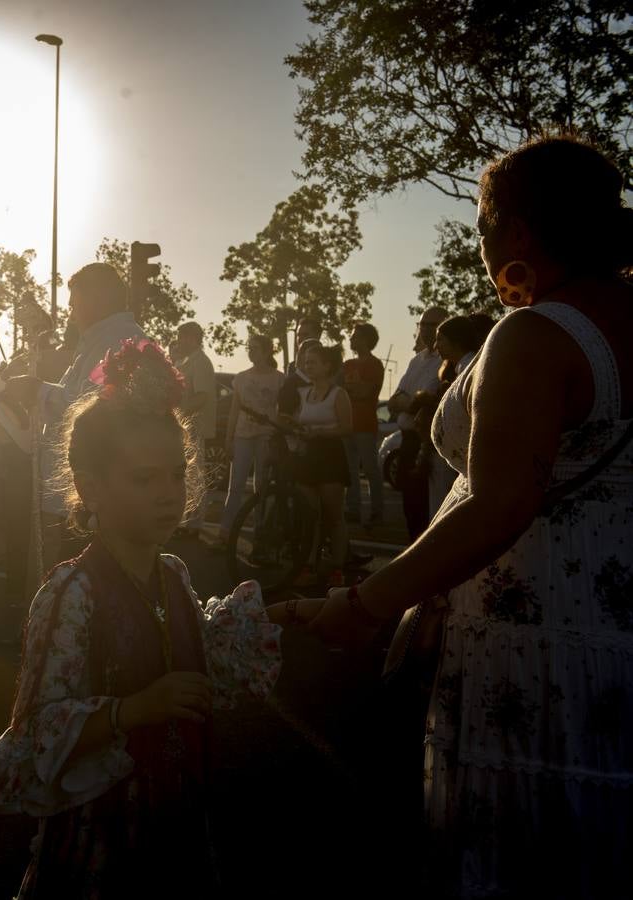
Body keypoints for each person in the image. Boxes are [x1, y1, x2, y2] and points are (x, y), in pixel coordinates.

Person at [312, 135, 633, 898]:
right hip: (615, 626)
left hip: (538, 641)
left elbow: (499, 506)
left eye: (484, 227)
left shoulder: (535, 335)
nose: (483, 246)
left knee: (522, 845)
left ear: (518, 232)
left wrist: (363, 604)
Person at [0, 339, 306, 897]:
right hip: (101, 828)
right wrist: (136, 709)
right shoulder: (71, 593)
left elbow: (198, 645)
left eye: (175, 476)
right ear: (90, 488)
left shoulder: (174, 575)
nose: (168, 495)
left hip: (178, 812)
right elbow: (39, 730)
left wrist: (295, 613)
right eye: (145, 480)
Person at [2, 263, 149, 566]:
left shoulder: (117, 343)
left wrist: (36, 390)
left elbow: (90, 406)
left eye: (75, 304)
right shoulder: (101, 340)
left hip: (92, 492)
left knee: (78, 580)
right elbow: (79, 392)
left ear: (97, 301)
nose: (71, 312)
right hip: (81, 489)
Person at [288, 343, 353, 586]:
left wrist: (319, 433)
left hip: (331, 457)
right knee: (310, 514)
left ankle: (337, 568)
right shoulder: (303, 394)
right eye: (305, 362)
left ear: (327, 366)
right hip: (308, 456)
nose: (307, 365)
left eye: (313, 361)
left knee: (334, 515)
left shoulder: (339, 394)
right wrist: (297, 429)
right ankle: (308, 566)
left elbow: (347, 427)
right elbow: (298, 421)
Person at [387, 306, 448, 534]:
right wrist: (412, 402)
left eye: (430, 325)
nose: (424, 330)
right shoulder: (416, 361)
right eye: (421, 324)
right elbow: (395, 401)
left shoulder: (445, 363)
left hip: (427, 442)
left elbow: (424, 403)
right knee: (410, 506)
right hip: (408, 441)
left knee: (427, 507)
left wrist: (411, 402)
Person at [220, 335, 285, 536]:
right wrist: (229, 439)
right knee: (236, 484)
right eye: (249, 348)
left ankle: (260, 532)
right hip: (242, 434)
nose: (251, 351)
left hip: (266, 435)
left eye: (255, 348)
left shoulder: (279, 378)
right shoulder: (241, 378)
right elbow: (234, 410)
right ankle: (225, 532)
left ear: (267, 351)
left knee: (261, 486)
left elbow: (282, 411)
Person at [172, 321, 217, 539]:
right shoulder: (184, 361)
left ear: (194, 338)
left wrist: (179, 415)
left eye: (183, 336)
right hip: (183, 427)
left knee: (195, 475)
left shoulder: (201, 362)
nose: (180, 341)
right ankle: (184, 521)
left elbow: (202, 397)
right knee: (184, 474)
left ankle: (194, 524)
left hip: (194, 426)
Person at [342, 323, 386, 528]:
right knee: (349, 470)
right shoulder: (347, 364)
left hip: (365, 424)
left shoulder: (374, 365)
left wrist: (350, 391)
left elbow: (366, 393)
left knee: (370, 469)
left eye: (355, 336)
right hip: (347, 424)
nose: (351, 339)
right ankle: (353, 509)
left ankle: (377, 510)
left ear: (366, 340)